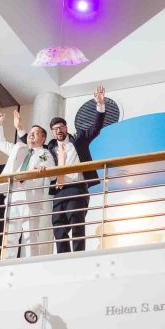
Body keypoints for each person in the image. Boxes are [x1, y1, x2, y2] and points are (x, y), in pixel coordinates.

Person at [45, 85, 107, 253]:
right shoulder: (50, 148)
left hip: (77, 188)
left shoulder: (78, 139)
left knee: (76, 224)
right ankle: (63, 258)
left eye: (61, 127)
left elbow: (95, 128)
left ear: (66, 128)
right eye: (55, 129)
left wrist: (100, 106)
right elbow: (32, 145)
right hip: (58, 191)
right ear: (52, 132)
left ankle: (78, 256)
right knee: (58, 227)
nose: (58, 131)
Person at [0, 111, 54, 258]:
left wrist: (43, 169)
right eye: (31, 132)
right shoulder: (18, 148)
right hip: (13, 197)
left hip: (31, 199)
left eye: (36, 133)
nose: (32, 134)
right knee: (10, 237)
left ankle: (31, 267)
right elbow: (0, 143)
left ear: (43, 137)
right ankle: (6, 266)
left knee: (30, 237)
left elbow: (52, 173)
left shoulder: (44, 153)